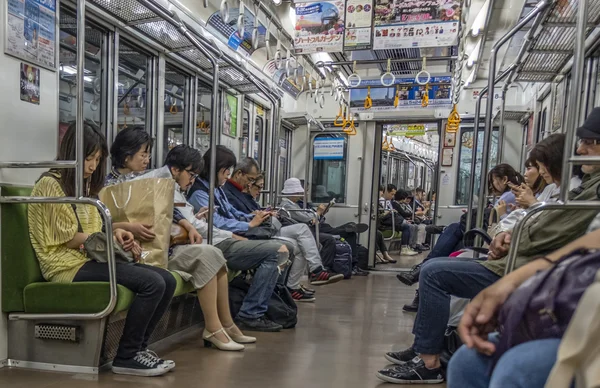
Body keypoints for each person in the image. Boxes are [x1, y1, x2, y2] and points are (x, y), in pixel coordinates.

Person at [376, 110, 600, 385]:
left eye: (590, 142)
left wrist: (511, 235)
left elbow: (545, 232)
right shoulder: (571, 190)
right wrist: (508, 235)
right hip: (522, 259)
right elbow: (540, 228)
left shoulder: (586, 191)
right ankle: (425, 346)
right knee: (449, 241)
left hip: (525, 266)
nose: (581, 150)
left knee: (435, 270)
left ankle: (428, 359)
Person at [28, 122, 175, 377]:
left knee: (166, 279)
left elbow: (96, 228)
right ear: (72, 153)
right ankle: (126, 356)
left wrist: (116, 233)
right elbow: (64, 238)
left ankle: (139, 348)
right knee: (152, 283)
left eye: (97, 159)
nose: (93, 166)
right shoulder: (51, 185)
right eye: (88, 158)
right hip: (65, 265)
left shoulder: (84, 186)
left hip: (87, 258)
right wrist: (106, 241)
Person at [108, 129, 289, 332]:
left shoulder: (152, 182)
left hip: (160, 243)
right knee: (228, 253)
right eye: (143, 154)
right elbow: (112, 219)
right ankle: (229, 323)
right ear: (126, 154)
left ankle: (224, 325)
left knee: (214, 255)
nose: (147, 160)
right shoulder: (112, 186)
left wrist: (186, 224)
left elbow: (169, 212)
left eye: (148, 154)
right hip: (141, 245)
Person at [448, 214, 600, 388]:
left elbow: (545, 235)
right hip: (581, 301)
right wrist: (513, 281)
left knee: (519, 369)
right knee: (468, 362)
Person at [188, 146, 343, 301]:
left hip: (236, 232)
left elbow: (232, 212)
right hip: (224, 238)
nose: (228, 176)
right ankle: (258, 306)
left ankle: (284, 291)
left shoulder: (217, 189)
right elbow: (217, 222)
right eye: (226, 171)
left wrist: (253, 217)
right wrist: (249, 224)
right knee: (283, 248)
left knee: (294, 242)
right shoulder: (201, 192)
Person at [278, 178, 370, 276]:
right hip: (309, 229)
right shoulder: (288, 205)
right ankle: (325, 269)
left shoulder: (297, 204)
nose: (303, 194)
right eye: (299, 192)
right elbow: (307, 218)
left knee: (348, 229)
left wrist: (319, 214)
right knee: (330, 239)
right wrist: (318, 213)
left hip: (315, 226)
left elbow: (311, 217)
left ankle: (348, 229)